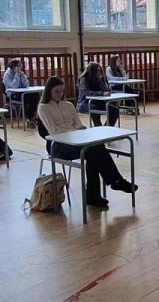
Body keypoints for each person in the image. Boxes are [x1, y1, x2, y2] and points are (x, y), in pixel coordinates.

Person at [38, 76, 137, 208]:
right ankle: (114, 181)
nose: (60, 94)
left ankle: (95, 194)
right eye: (56, 91)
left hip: (76, 139)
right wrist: (74, 132)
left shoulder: (68, 105)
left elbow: (78, 125)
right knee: (93, 150)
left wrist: (82, 131)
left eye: (62, 91)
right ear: (49, 91)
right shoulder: (43, 108)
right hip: (57, 144)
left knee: (94, 149)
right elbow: (53, 131)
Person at [78, 62, 119, 127]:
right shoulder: (84, 78)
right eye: (98, 70)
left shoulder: (97, 78)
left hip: (97, 102)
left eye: (100, 70)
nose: (99, 72)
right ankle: (98, 127)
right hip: (84, 103)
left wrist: (101, 80)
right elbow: (87, 93)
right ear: (92, 71)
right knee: (94, 108)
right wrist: (101, 93)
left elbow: (105, 90)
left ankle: (107, 128)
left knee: (114, 111)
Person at [2, 59, 37, 125]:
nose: (21, 67)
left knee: (35, 96)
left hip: (22, 93)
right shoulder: (7, 75)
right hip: (12, 95)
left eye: (21, 65)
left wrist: (23, 76)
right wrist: (17, 75)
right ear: (13, 67)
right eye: (19, 66)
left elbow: (26, 85)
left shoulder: (21, 73)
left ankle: (31, 118)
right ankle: (30, 118)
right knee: (30, 98)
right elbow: (14, 86)